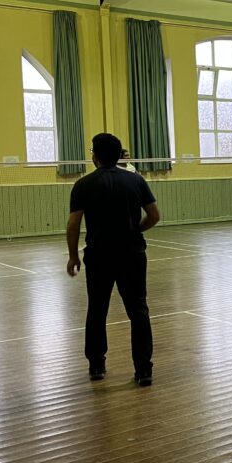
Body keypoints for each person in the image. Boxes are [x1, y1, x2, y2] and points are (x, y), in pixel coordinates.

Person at [66, 133, 160, 385]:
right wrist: (136, 229)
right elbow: (154, 215)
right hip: (132, 255)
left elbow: (73, 224)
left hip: (99, 257)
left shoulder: (83, 184)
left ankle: (96, 365)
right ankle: (144, 369)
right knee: (138, 310)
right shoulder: (136, 180)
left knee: (97, 309)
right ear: (119, 155)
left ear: (94, 156)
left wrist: (73, 255)